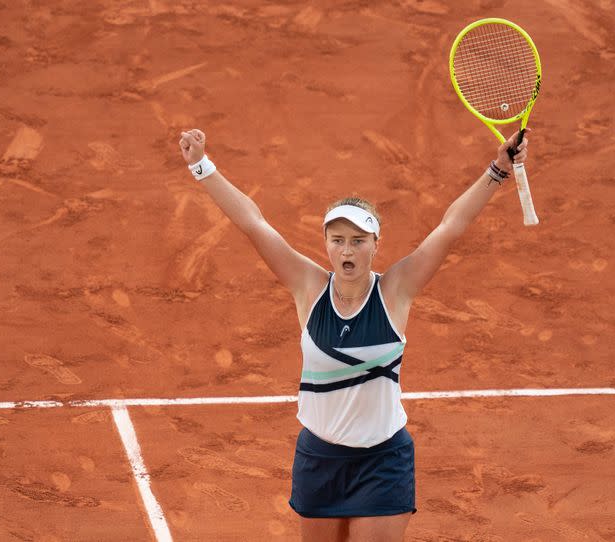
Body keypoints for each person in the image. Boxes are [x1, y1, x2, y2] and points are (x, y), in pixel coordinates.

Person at [178, 128, 528, 542]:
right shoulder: (308, 288)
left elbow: (450, 228)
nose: (348, 250)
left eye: (358, 241)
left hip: (383, 463)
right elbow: (254, 224)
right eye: (338, 240)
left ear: (375, 245)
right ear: (326, 244)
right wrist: (202, 166)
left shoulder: (396, 291)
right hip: (319, 460)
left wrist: (498, 170)